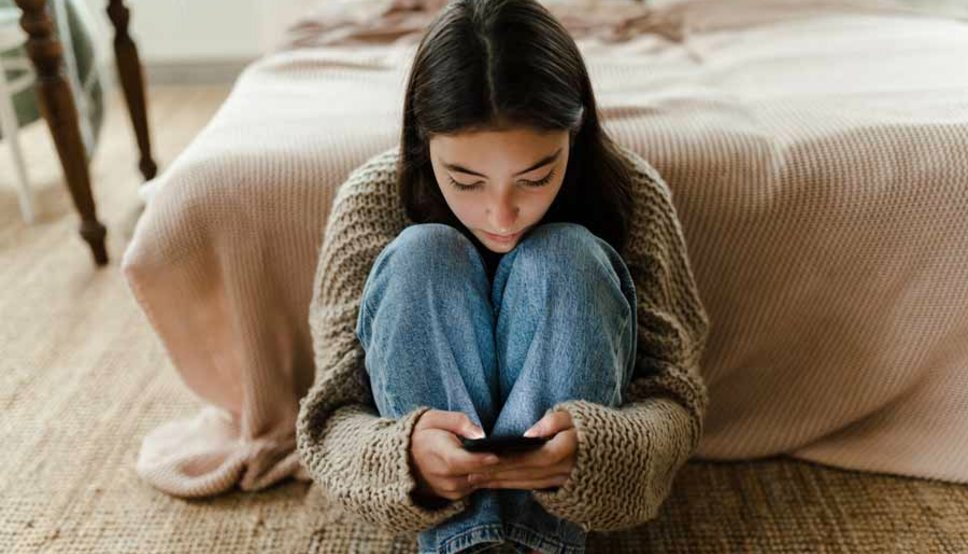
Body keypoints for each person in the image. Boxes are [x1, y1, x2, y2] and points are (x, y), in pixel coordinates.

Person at [295, 0, 711, 552]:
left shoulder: (629, 194)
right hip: (439, 510)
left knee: (566, 253)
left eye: (537, 176)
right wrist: (404, 454)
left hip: (567, 509)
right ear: (424, 145)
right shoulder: (374, 200)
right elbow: (331, 416)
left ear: (575, 134)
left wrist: (601, 448)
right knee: (424, 253)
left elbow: (676, 397)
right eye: (465, 181)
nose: (502, 214)